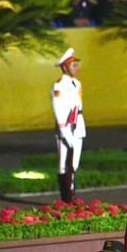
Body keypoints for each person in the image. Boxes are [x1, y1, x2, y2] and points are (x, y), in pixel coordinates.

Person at [51, 47, 85, 202]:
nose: (76, 68)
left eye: (76, 64)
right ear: (64, 67)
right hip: (65, 126)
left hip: (77, 125)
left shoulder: (77, 84)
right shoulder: (59, 85)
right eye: (73, 65)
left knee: (74, 163)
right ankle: (65, 198)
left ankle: (72, 195)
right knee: (64, 163)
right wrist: (64, 131)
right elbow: (59, 109)